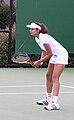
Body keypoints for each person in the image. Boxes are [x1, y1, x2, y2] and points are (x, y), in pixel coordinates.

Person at [26, 22, 68, 110]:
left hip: (61, 55)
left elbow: (49, 54)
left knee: (55, 77)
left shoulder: (44, 38)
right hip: (54, 56)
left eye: (32, 29)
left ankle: (55, 103)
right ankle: (48, 98)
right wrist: (41, 62)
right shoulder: (37, 39)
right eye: (30, 29)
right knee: (48, 75)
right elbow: (44, 51)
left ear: (38, 30)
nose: (30, 30)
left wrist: (38, 61)